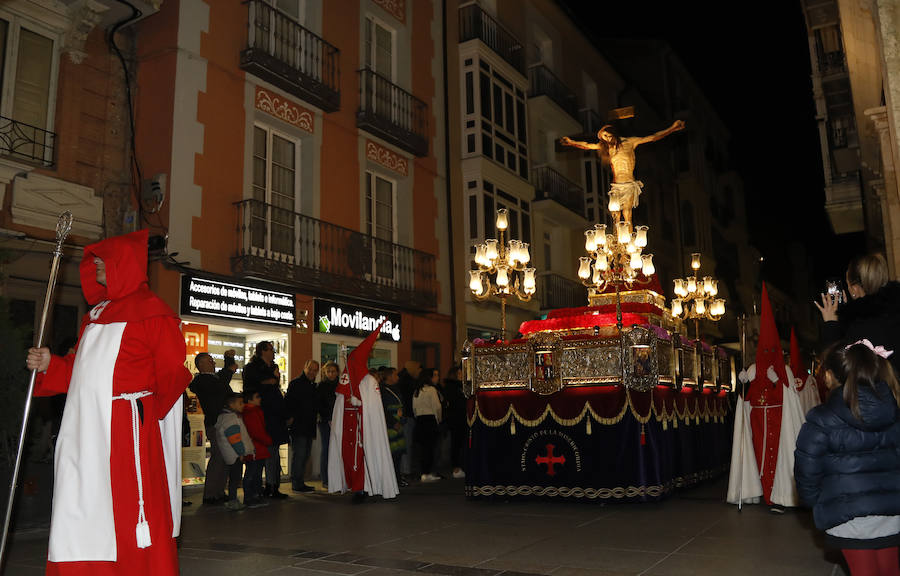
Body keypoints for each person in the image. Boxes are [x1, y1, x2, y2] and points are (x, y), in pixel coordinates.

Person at [25, 229, 192, 575]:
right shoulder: (97, 314)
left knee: (128, 511)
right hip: (88, 428)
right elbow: (78, 369)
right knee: (85, 504)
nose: (97, 265)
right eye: (96, 260)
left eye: (104, 259)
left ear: (125, 264)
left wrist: (142, 410)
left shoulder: (153, 312)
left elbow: (173, 371)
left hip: (127, 429)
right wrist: (50, 363)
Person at [795, 340, 900, 576]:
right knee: (890, 569)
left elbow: (807, 468)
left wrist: (815, 501)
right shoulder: (894, 412)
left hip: (848, 512)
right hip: (892, 510)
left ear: (831, 376)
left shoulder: (821, 419)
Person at [560, 120, 685, 225]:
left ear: (614, 134)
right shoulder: (607, 148)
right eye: (605, 137)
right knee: (616, 214)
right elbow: (587, 145)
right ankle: (619, 244)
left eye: (609, 135)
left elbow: (653, 137)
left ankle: (627, 244)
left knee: (627, 214)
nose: (608, 138)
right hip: (616, 185)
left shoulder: (630, 142)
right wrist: (571, 142)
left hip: (629, 183)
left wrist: (672, 128)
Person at [327, 324, 398, 501]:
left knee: (362, 458)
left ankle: (363, 488)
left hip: (363, 427)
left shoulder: (369, 381)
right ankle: (353, 486)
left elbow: (374, 408)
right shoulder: (346, 378)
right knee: (349, 458)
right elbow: (339, 401)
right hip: (347, 428)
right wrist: (345, 400)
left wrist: (360, 403)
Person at [816, 253, 900, 377]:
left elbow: (838, 371)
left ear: (854, 289)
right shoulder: (894, 309)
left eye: (848, 284)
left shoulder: (859, 326)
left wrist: (831, 324)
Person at [243, 341, 289, 499]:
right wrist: (269, 380)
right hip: (264, 416)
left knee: (273, 453)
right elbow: (254, 387)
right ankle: (265, 486)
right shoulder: (252, 368)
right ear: (263, 351)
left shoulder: (272, 367)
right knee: (265, 453)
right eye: (271, 350)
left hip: (275, 416)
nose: (274, 352)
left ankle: (273, 485)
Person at [188, 351, 234, 505]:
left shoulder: (211, 379)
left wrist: (228, 362)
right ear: (200, 365)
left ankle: (218, 491)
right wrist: (228, 367)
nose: (213, 363)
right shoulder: (203, 381)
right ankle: (210, 494)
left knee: (223, 458)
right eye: (210, 361)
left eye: (213, 360)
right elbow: (220, 389)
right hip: (216, 423)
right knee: (218, 458)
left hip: (222, 421)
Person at [215, 393, 253, 511]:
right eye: (240, 403)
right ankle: (232, 500)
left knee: (233, 478)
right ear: (231, 404)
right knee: (235, 479)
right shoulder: (231, 419)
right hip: (235, 455)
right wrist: (241, 453)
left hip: (230, 454)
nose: (243, 405)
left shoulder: (225, 417)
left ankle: (233, 499)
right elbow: (235, 439)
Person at [285, 359, 319, 492]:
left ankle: (299, 481)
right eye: (310, 369)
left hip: (309, 425)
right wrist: (290, 419)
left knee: (304, 455)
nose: (312, 372)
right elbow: (288, 403)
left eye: (315, 370)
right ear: (305, 368)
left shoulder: (313, 385)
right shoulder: (296, 383)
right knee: (299, 455)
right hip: (298, 425)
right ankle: (296, 483)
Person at [241, 390, 271, 508]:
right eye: (257, 396)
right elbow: (256, 431)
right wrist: (267, 440)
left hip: (257, 448)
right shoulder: (251, 412)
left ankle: (255, 496)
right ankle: (250, 497)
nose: (260, 399)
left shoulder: (253, 411)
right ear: (250, 400)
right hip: (255, 448)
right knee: (253, 474)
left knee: (255, 473)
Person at [413, 368, 443, 483]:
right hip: (430, 420)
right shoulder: (431, 390)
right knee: (430, 448)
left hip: (420, 420)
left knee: (422, 449)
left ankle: (423, 472)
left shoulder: (417, 391)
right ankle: (428, 472)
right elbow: (437, 407)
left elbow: (414, 408)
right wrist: (438, 419)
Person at [379, 366, 408, 487]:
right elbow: (383, 409)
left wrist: (401, 418)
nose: (398, 377)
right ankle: (392, 479)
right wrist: (392, 422)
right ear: (389, 376)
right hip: (390, 425)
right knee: (391, 454)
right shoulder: (382, 390)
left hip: (398, 423)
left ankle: (397, 477)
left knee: (398, 453)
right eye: (395, 375)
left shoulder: (396, 389)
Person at [316, 361, 339, 490]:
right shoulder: (321, 386)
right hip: (326, 421)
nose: (331, 374)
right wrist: (328, 418)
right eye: (328, 371)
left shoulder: (340, 385)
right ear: (325, 372)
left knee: (337, 449)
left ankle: (337, 476)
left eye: (333, 371)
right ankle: (325, 478)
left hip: (338, 420)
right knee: (327, 449)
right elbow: (319, 405)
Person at [442, 365, 467, 479]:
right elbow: (454, 403)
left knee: (463, 444)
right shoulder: (451, 387)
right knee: (456, 444)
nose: (462, 375)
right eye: (460, 373)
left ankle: (462, 465)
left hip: (462, 418)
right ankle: (456, 468)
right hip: (456, 419)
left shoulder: (462, 386)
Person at [397, 360, 421, 479]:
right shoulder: (408, 382)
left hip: (406, 415)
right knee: (407, 443)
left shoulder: (404, 380)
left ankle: (405, 469)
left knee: (406, 443)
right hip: (407, 416)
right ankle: (405, 469)